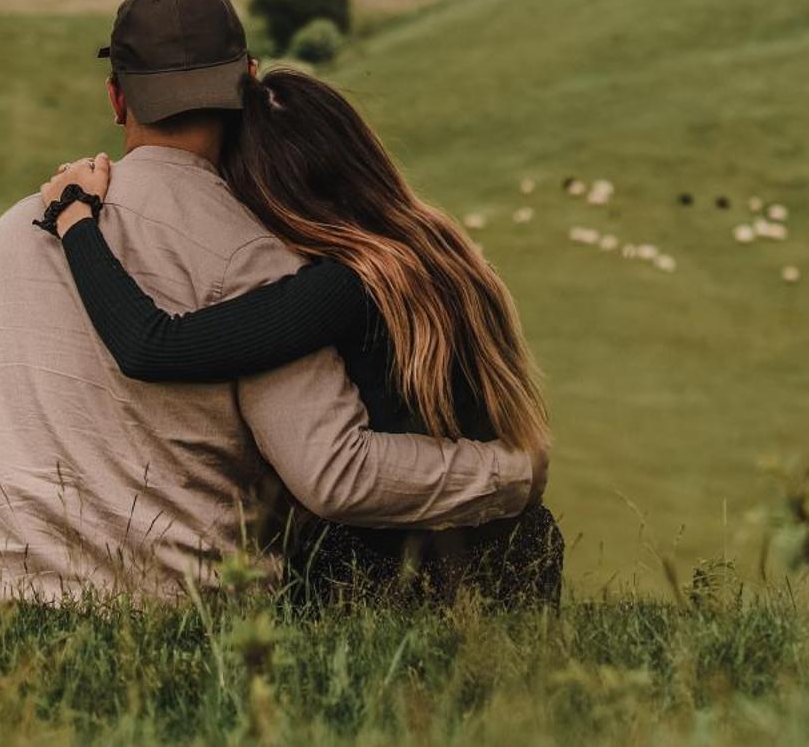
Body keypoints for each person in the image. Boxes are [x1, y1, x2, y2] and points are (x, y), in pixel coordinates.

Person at [0, 0, 546, 602]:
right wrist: (513, 469)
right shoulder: (261, 254)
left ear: (116, 99)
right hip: (177, 603)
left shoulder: (6, 234)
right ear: (245, 83)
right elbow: (327, 470)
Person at [41, 63, 561, 604]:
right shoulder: (441, 253)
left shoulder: (344, 286)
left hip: (399, 566)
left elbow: (149, 344)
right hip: (518, 544)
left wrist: (76, 220)